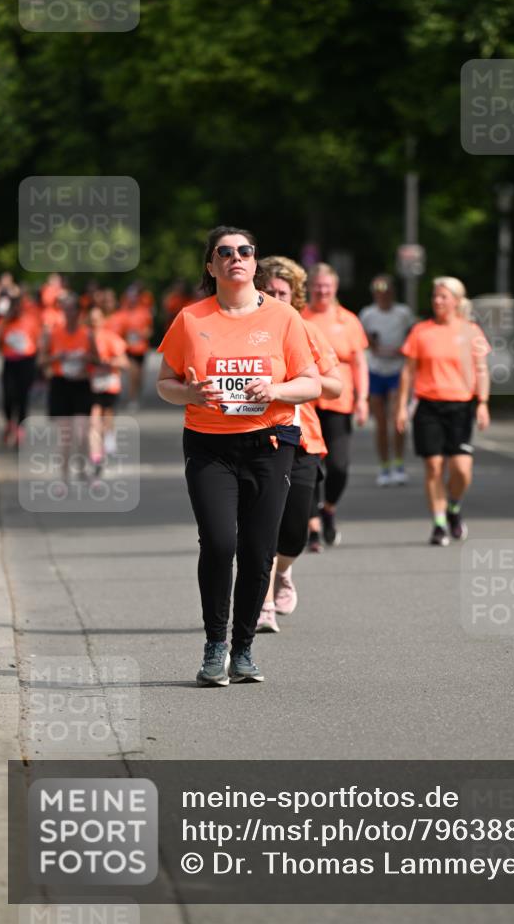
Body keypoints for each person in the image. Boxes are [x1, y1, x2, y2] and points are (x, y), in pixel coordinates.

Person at [156, 226, 321, 686]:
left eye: (244, 251)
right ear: (211, 266)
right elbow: (164, 384)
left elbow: (310, 382)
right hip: (209, 444)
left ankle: (244, 649)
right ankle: (216, 646)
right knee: (219, 543)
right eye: (224, 252)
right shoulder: (191, 318)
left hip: (269, 443)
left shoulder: (284, 318)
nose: (236, 258)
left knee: (256, 549)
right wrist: (189, 392)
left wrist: (276, 389)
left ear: (254, 261)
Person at [253, 257, 342, 633]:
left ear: (295, 296)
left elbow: (336, 386)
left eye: (282, 293)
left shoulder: (305, 331)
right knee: (264, 527)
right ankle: (264, 605)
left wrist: (300, 384)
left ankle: (284, 572)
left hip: (304, 440)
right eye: (269, 291)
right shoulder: (248, 331)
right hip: (259, 438)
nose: (275, 297)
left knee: (294, 532)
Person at [396, 276, 491, 545]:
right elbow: (407, 372)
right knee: (433, 466)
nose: (437, 301)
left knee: (461, 469)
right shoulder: (420, 331)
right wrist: (402, 407)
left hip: (461, 406)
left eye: (443, 297)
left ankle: (454, 507)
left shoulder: (471, 331)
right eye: (435, 296)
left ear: (457, 301)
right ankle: (438, 523)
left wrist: (482, 403)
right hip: (428, 405)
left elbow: (482, 370)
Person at [302, 263, 369, 550]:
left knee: (338, 467)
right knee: (309, 464)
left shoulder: (348, 320)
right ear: (309, 288)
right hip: (305, 402)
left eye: (327, 286)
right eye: (317, 286)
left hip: (339, 401)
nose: (322, 291)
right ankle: (312, 524)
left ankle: (328, 508)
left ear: (335, 288)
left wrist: (363, 399)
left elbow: (359, 363)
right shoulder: (299, 316)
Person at [359, 273, 416, 486]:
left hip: (397, 370)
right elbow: (362, 338)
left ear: (392, 293)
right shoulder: (368, 314)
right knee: (381, 423)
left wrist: (404, 349)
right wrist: (372, 345)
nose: (383, 296)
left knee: (397, 418)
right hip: (375, 370)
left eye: (386, 292)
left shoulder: (403, 313)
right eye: (378, 293)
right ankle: (384, 466)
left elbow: (413, 335)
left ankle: (399, 463)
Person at [38, 294, 93, 480]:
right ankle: (63, 475)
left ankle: (82, 467)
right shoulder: (53, 334)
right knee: (66, 435)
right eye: (66, 310)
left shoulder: (87, 334)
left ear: (79, 312)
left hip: (81, 385)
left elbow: (98, 359)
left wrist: (86, 359)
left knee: (82, 432)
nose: (69, 313)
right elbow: (41, 360)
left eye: (73, 309)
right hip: (60, 384)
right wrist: (56, 357)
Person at [0, 287, 41, 446]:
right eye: (13, 305)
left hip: (26, 362)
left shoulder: (31, 320)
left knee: (22, 397)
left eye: (18, 304)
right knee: (8, 397)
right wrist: (5, 321)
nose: (16, 308)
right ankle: (9, 424)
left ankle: (20, 428)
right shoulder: (3, 321)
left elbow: (38, 342)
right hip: (10, 362)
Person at [86, 305, 129, 475]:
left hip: (109, 383)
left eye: (97, 319)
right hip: (91, 385)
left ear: (103, 320)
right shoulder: (84, 337)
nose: (94, 323)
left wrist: (107, 363)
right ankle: (96, 455)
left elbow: (124, 362)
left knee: (106, 417)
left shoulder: (110, 338)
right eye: (91, 320)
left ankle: (105, 443)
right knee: (93, 419)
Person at [112, 284, 153, 409]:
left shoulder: (144, 312)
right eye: (130, 297)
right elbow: (118, 331)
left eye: (134, 297)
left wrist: (142, 334)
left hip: (141, 348)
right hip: (129, 349)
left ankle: (137, 394)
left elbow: (149, 330)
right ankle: (132, 398)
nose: (132, 299)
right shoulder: (123, 313)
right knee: (132, 374)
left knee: (140, 375)